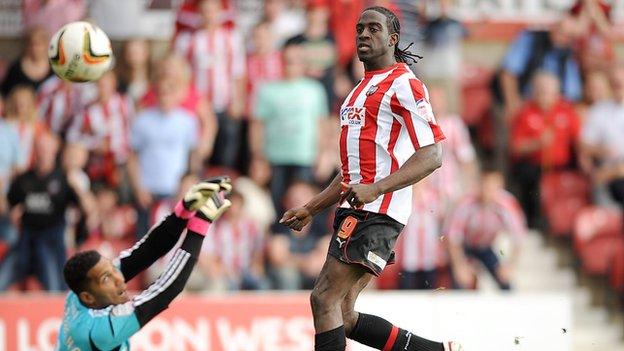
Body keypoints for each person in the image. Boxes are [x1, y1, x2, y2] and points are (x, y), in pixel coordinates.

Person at [280, 6, 460, 351]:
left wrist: (376, 188)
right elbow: (352, 172)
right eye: (360, 28)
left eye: (373, 29)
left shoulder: (406, 85)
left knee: (323, 299)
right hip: (357, 207)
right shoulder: (358, 90)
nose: (363, 34)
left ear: (392, 39)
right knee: (342, 313)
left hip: (378, 210)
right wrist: (311, 207)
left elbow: (432, 155)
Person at [56, 177, 232, 350]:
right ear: (88, 298)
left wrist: (183, 210)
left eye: (112, 269)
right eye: (106, 279)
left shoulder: (79, 295)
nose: (119, 278)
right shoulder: (98, 333)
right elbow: (165, 291)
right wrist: (199, 226)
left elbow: (145, 252)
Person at [0, 133, 94, 291]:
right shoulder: (24, 179)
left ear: (54, 151)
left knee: (55, 288)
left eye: (46, 150)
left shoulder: (63, 179)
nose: (43, 154)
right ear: (34, 151)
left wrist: (77, 187)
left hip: (51, 242)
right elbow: (7, 207)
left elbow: (88, 209)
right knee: (3, 278)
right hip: (26, 240)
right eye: (39, 149)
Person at [251, 42, 328, 226]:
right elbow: (257, 126)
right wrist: (258, 157)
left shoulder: (315, 90)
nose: (290, 65)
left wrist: (323, 153)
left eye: (295, 61)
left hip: (305, 158)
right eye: (287, 61)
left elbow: (321, 125)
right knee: (277, 208)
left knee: (305, 206)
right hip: (275, 158)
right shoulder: (267, 89)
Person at [174, 0, 246, 169]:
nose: (209, 15)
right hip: (198, 109)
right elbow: (180, 75)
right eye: (205, 11)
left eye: (213, 11)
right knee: (199, 155)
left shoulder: (231, 38)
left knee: (226, 157)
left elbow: (239, 73)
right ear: (199, 13)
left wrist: (238, 101)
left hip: (225, 106)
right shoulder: (186, 41)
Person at [128, 77, 199, 238]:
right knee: (143, 243)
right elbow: (132, 157)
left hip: (175, 190)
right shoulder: (142, 120)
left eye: (169, 93)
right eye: (162, 93)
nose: (165, 97)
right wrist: (138, 187)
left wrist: (188, 183)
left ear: (176, 95)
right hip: (147, 190)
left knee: (173, 240)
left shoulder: (187, 121)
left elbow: (193, 155)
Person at [510, 72, 581, 227]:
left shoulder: (566, 111)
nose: (544, 96)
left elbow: (578, 139)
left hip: (561, 166)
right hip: (534, 165)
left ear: (557, 93)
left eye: (548, 92)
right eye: (540, 91)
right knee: (527, 180)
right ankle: (531, 224)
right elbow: (516, 146)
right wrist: (537, 143)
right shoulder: (525, 113)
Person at [446, 167, 527, 290]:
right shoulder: (466, 202)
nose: (489, 192)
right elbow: (453, 238)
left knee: (506, 284)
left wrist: (510, 266)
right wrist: (459, 266)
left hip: (486, 247)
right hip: (465, 246)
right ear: (479, 185)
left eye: (494, 188)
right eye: (486, 187)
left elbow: (518, 237)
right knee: (459, 282)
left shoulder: (507, 204)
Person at [0, 26, 53, 97]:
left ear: (46, 45)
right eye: (31, 44)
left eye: (38, 44)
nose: (35, 48)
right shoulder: (15, 69)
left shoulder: (56, 69)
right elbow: (5, 94)